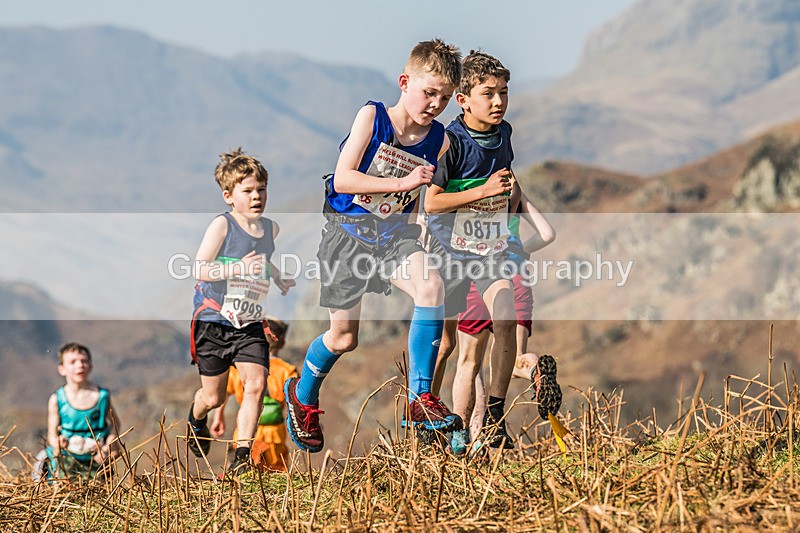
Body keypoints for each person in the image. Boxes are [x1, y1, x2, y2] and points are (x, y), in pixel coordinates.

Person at [284, 38, 463, 453]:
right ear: (404, 82)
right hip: (348, 236)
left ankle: (421, 398)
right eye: (428, 93)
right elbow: (343, 178)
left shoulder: (438, 140)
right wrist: (401, 183)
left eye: (444, 98)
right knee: (344, 338)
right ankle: (302, 394)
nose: (435, 104)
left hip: (394, 238)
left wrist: (417, 226)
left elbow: (416, 194)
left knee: (431, 285)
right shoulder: (373, 116)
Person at [424, 50, 522, 451]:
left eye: (504, 92)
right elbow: (432, 202)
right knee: (445, 345)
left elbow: (508, 183)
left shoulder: (505, 133)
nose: (498, 102)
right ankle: (426, 418)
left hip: (490, 252)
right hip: (448, 253)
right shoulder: (450, 142)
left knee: (506, 319)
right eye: (489, 94)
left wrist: (509, 216)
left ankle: (495, 416)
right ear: (463, 100)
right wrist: (482, 192)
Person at [187, 148, 294, 477]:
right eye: (248, 191)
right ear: (229, 196)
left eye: (261, 189)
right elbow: (199, 269)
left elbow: (262, 259)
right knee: (214, 397)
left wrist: (277, 275)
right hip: (213, 322)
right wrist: (236, 268)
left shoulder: (271, 229)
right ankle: (196, 419)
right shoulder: (223, 225)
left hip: (248, 322)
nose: (257, 196)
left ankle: (242, 456)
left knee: (256, 384)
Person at [439, 190, 562, 454]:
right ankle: (534, 369)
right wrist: (519, 250)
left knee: (471, 363)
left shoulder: (469, 187)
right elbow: (548, 234)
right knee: (512, 359)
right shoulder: (511, 189)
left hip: (478, 275)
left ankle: (467, 438)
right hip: (516, 276)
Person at [211, 317, 298, 471]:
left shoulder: (240, 368)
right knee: (275, 473)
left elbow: (223, 393)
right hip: (275, 434)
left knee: (241, 471)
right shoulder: (287, 370)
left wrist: (218, 416)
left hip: (244, 432)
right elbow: (297, 401)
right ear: (282, 343)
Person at [40, 342, 122, 481]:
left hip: (96, 459)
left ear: (90, 366)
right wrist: (58, 443)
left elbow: (115, 425)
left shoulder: (102, 397)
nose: (80, 365)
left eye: (84, 361)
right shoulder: (57, 399)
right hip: (67, 459)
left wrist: (108, 447)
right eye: (73, 362)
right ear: (62, 369)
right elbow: (51, 433)